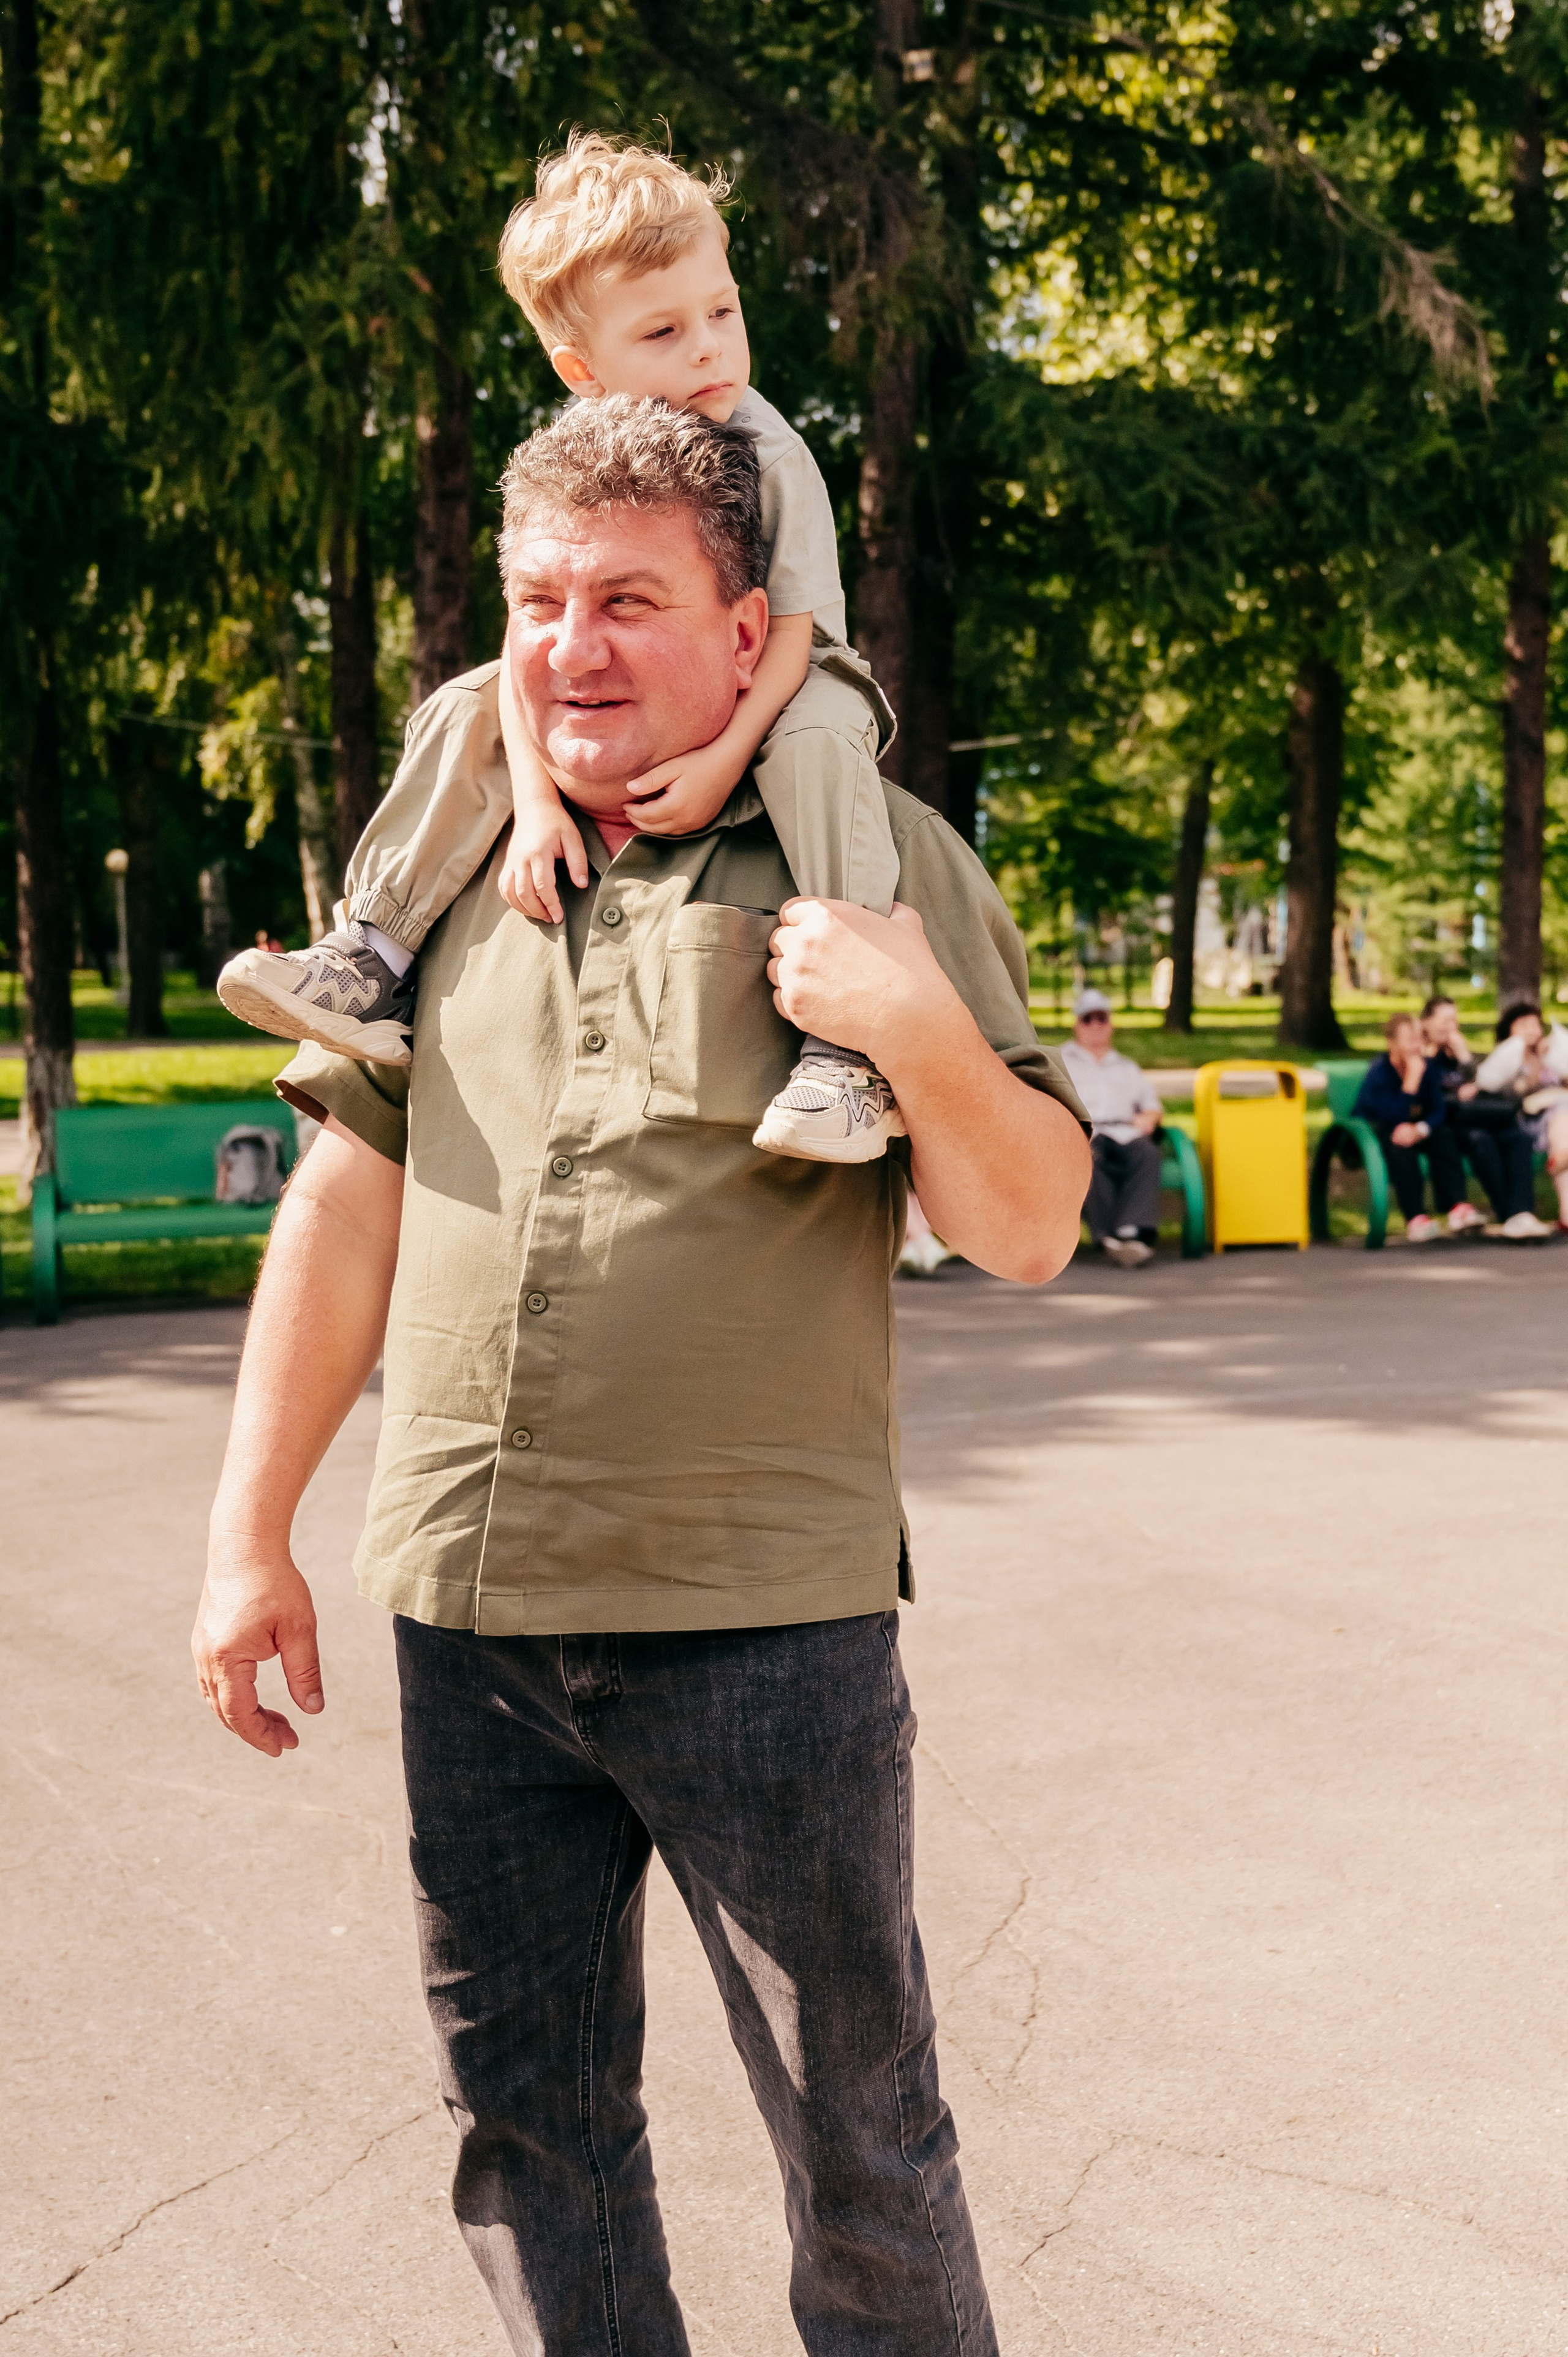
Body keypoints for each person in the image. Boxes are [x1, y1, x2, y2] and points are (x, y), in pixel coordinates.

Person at [191, 396, 1091, 2356]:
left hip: (760, 1626)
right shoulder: (445, 868)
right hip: (471, 1616)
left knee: (859, 2143)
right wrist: (246, 1530)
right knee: (528, 2137)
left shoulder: (873, 851)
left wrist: (917, 1031)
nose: (571, 647)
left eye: (627, 598)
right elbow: (345, 1208)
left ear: (750, 632)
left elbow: (1029, 1218)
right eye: (536, 599)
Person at [215, 132, 905, 1167]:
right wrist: (536, 799)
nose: (712, 348)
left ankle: (849, 1052)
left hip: (789, 676)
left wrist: (726, 756)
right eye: (666, 331)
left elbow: (800, 630)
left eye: (723, 311)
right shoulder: (570, 457)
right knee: (466, 704)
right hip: (641, 681)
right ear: (585, 373)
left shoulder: (769, 451)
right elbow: (531, 630)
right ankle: (372, 951)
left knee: (815, 745)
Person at [1419, 996, 1551, 1240]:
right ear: (1426, 1022)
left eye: (1454, 1021)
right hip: (1447, 1125)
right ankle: (1511, 1215)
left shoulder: (1456, 1054)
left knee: (1518, 1138)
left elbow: (1481, 1082)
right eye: (1445, 1020)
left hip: (1477, 1116)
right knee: (1481, 1141)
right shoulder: (1418, 1054)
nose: (1451, 1027)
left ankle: (1522, 1213)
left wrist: (1464, 1056)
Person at [1352, 1013, 1484, 1242]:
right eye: (1409, 1039)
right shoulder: (1379, 1073)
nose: (1416, 1045)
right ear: (1391, 1043)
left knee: (1443, 1136)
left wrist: (1421, 1129)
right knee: (1400, 1144)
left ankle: (1458, 1208)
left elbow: (1438, 1110)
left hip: (1413, 1129)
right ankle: (1416, 1218)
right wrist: (1411, 1082)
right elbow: (1391, 1117)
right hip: (1376, 1132)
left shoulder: (1427, 1068)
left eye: (1419, 1039)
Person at [1058, 987, 1164, 1265]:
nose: (1095, 1025)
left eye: (1101, 1018)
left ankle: (1130, 1229)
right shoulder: (1062, 1063)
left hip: (1125, 1130)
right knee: (1090, 1158)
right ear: (1077, 1025)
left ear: (1110, 1025)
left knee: (1147, 1154)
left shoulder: (1126, 1067)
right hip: (1086, 1133)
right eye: (1087, 1019)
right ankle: (1107, 1234)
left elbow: (1152, 1106)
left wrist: (1149, 1119)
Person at [1476, 1000, 1568, 1231]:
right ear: (1511, 1030)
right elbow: (1506, 1096)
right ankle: (1561, 1156)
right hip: (1531, 1122)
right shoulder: (1506, 1058)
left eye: (1534, 1024)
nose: (1531, 1029)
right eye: (1523, 1024)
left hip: (1560, 1124)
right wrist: (1531, 1078)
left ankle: (1566, 1215)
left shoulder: (1551, 1052)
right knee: (1563, 1112)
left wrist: (1556, 1062)